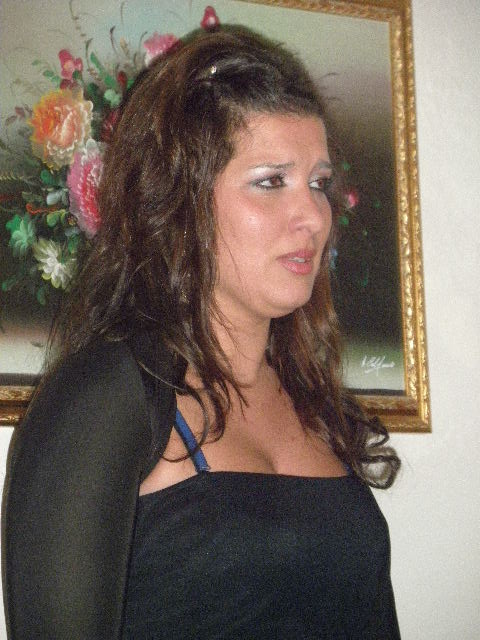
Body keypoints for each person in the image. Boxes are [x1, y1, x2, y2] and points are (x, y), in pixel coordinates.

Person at [2, 26, 401, 639]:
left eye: (320, 184)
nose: (314, 216)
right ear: (182, 203)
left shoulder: (315, 402)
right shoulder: (110, 394)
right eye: (271, 181)